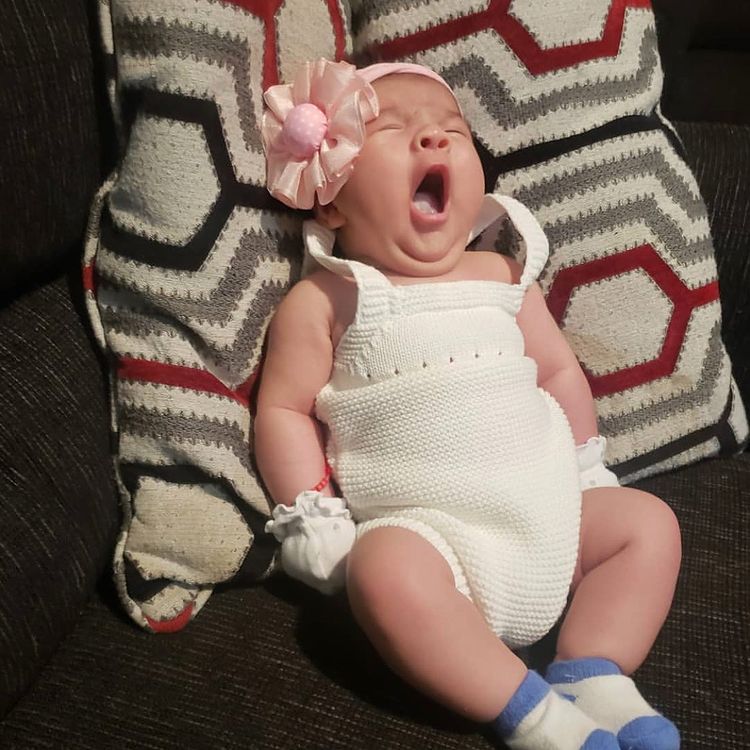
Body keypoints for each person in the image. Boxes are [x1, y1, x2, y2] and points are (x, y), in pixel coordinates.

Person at [254, 59, 682, 750]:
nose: (434, 139)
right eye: (393, 130)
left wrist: (585, 468)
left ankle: (594, 671)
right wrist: (312, 512)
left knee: (649, 525)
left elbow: (559, 372)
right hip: (436, 544)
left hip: (556, 523)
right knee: (381, 571)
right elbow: (282, 411)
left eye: (452, 130)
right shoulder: (330, 299)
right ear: (331, 203)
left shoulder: (505, 276)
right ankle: (531, 714)